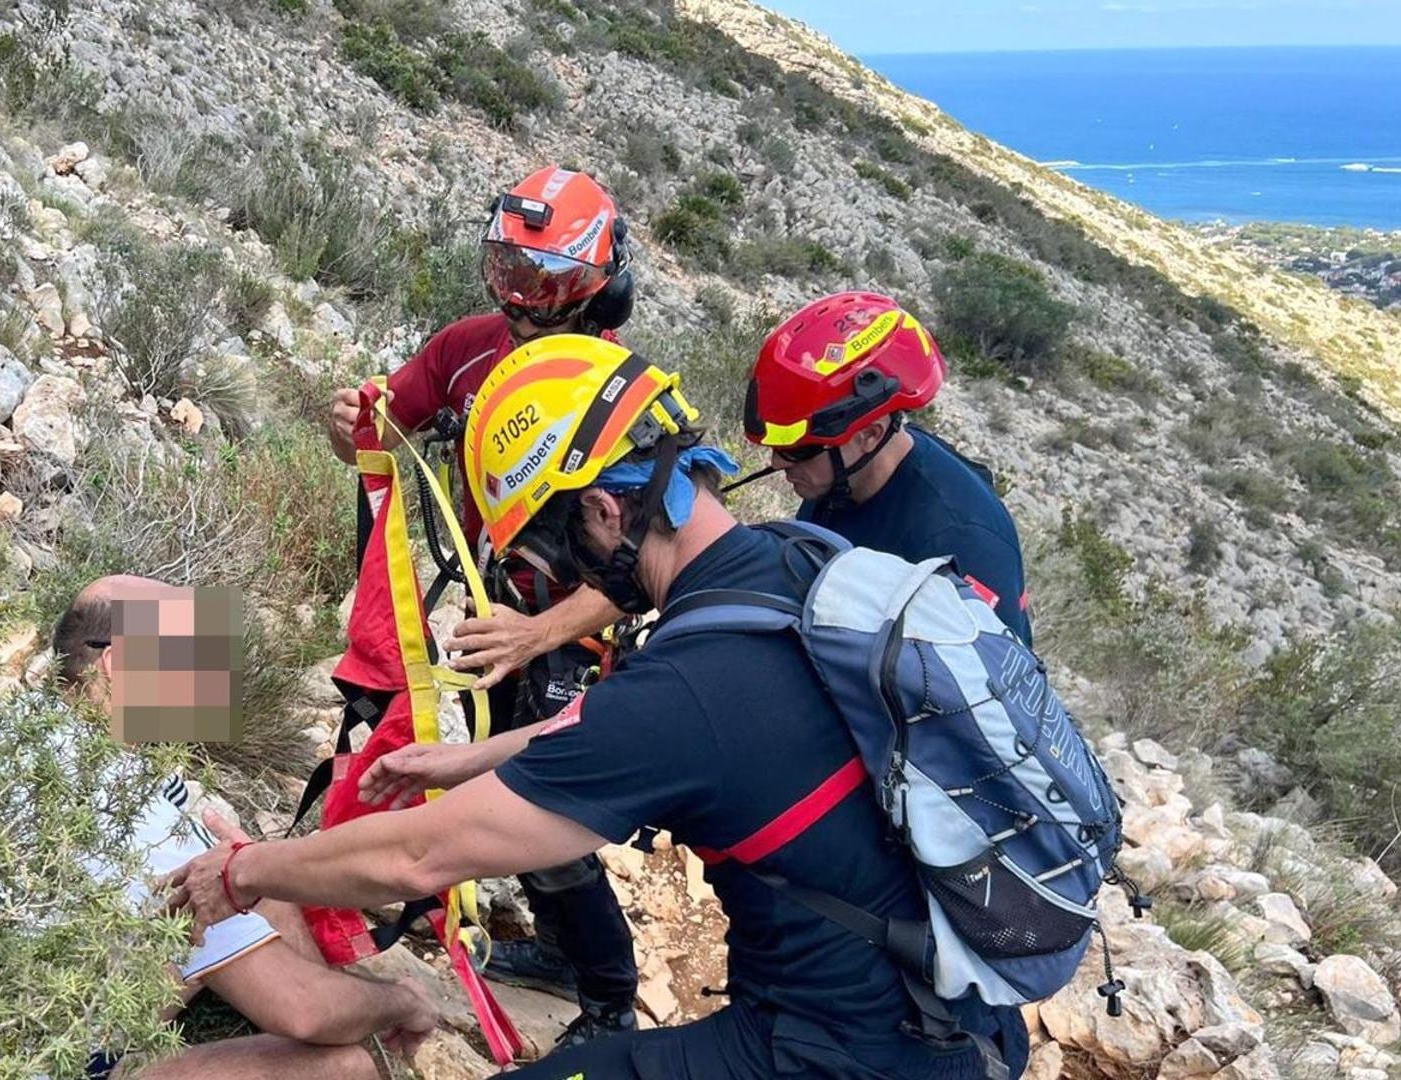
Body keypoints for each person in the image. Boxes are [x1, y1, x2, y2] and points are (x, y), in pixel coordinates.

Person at [171, 337, 1028, 1078]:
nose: (566, 576)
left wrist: (240, 872)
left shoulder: (688, 691)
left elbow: (418, 859)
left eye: (557, 547)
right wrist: (468, 757)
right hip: (952, 1007)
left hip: (840, 1051)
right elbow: (686, 730)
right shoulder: (790, 557)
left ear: (604, 509)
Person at [324, 165, 641, 1042]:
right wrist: (353, 418)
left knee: (544, 807)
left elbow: (640, 563)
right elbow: (383, 428)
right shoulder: (468, 347)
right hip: (491, 612)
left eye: (543, 281)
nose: (521, 299)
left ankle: (611, 995)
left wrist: (538, 632)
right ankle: (563, 950)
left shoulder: (616, 390)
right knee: (504, 785)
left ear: (591, 287)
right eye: (508, 273)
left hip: (570, 626)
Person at [53, 575, 439, 1080]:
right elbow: (304, 1009)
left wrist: (253, 872)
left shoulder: (9, 732)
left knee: (245, 869)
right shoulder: (135, 813)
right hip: (34, 1066)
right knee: (343, 1067)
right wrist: (403, 1002)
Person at [742, 291, 1033, 645]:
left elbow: (995, 682)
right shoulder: (841, 474)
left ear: (869, 434)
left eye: (797, 450)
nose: (777, 463)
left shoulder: (961, 540)